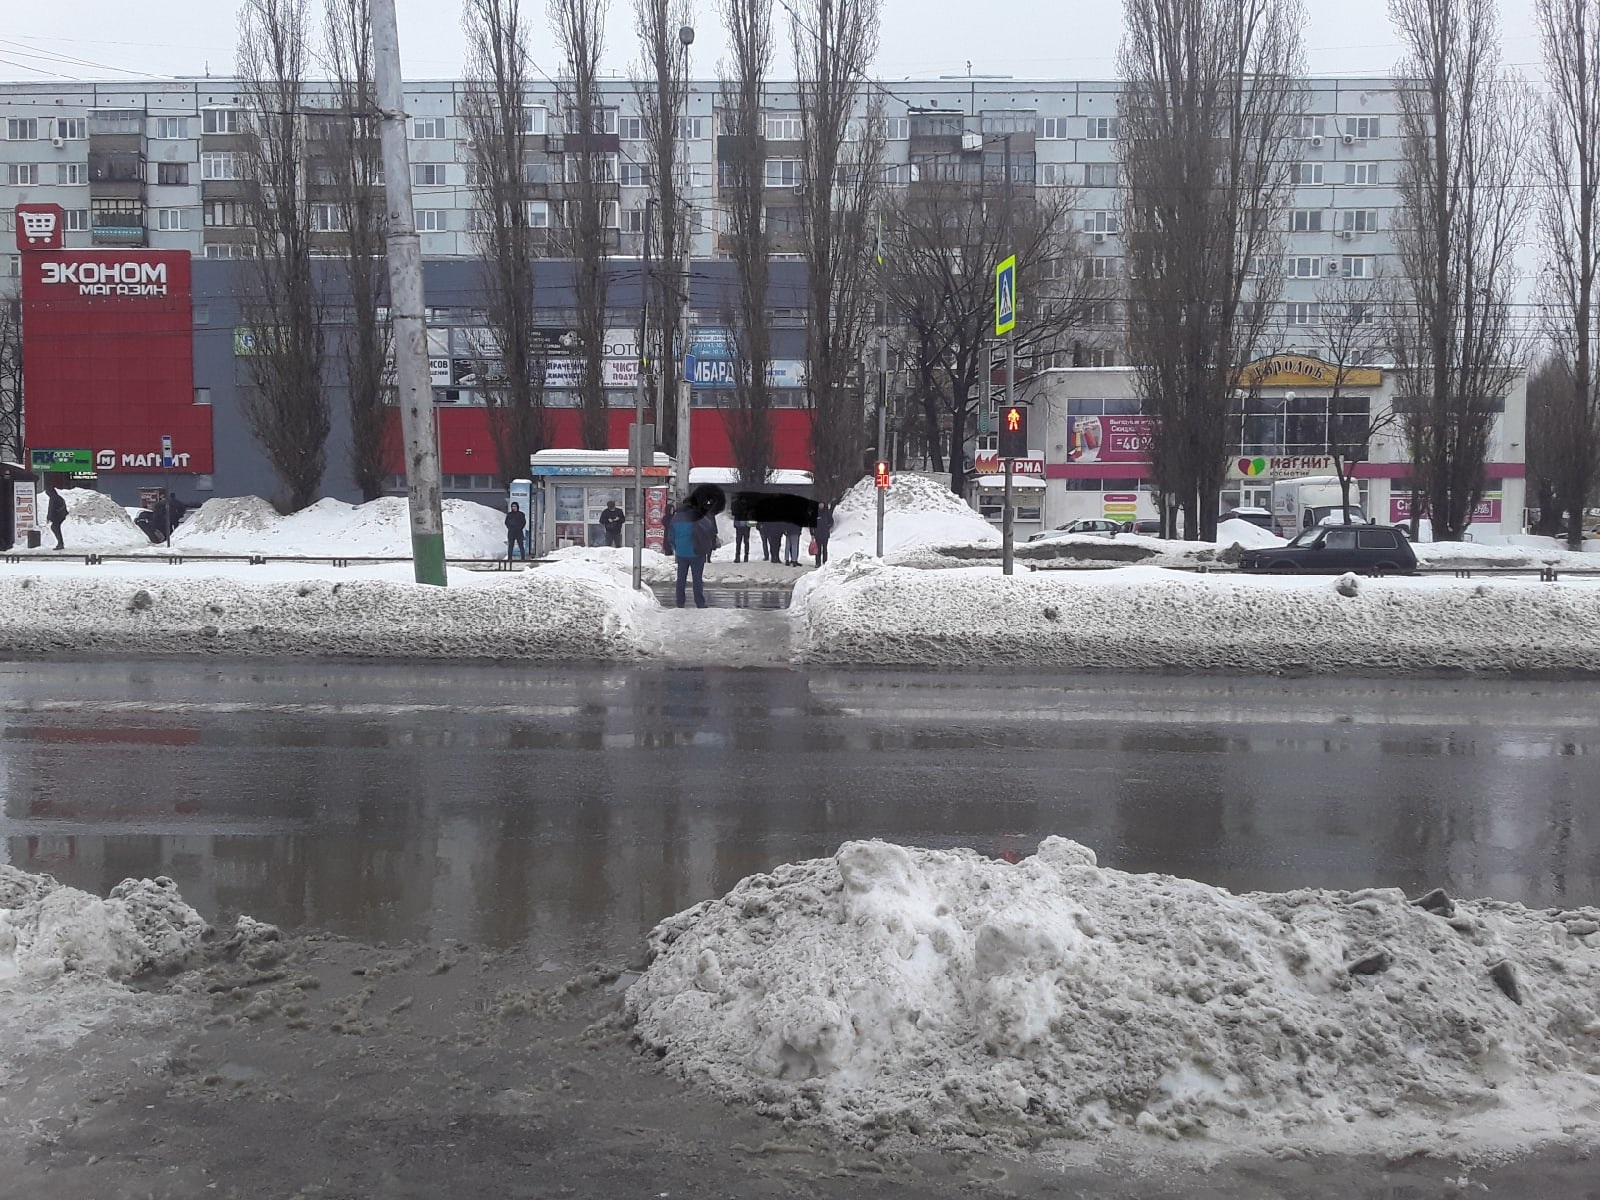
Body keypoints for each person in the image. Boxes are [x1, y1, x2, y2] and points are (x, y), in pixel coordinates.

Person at [669, 499, 717, 608]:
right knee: (697, 579)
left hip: (681, 552)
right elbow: (710, 529)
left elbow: (670, 537)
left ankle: (680, 602)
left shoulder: (675, 518)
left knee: (681, 578)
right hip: (697, 552)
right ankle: (699, 602)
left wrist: (676, 547)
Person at [44, 483, 67, 550]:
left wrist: (49, 517)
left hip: (57, 516)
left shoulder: (53, 498)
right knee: (56, 528)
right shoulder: (59, 497)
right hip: (61, 516)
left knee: (54, 527)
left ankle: (60, 543)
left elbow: (51, 509)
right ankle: (60, 543)